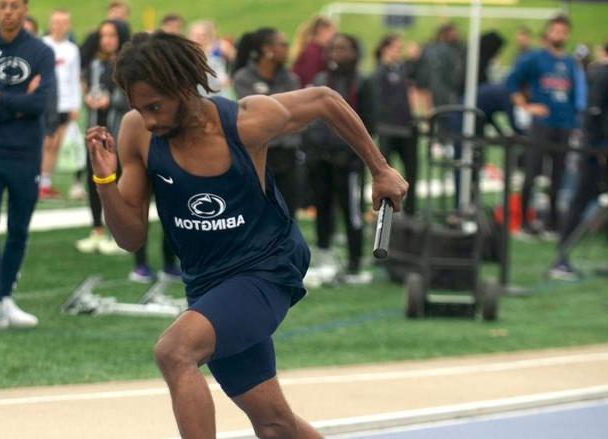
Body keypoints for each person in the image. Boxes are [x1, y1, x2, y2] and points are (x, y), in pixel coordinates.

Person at [86, 31, 407, 438]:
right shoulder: (139, 132)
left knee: (175, 352)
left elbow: (324, 99)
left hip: (266, 269)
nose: (149, 120)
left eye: (155, 107)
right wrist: (103, 180)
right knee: (274, 426)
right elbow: (130, 238)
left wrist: (380, 169)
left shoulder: (246, 122)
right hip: (207, 283)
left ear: (184, 88)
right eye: (138, 108)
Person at [0, 0, 55, 330]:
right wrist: (18, 103)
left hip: (25, 154)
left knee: (19, 228)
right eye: (1, 5)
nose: (7, 12)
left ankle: (6, 298)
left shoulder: (40, 51)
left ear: (24, 8)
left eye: (14, 5)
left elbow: (40, 103)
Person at [548, 33, 608, 280]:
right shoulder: (602, 74)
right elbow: (591, 115)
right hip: (596, 154)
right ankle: (561, 260)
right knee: (580, 202)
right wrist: (595, 149)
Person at [304, 33, 376, 285]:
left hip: (350, 160)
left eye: (344, 49)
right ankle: (324, 255)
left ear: (355, 53)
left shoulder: (363, 82)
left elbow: (369, 122)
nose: (337, 54)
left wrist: (356, 154)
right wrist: (313, 146)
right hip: (321, 158)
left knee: (352, 211)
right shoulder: (321, 80)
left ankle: (355, 261)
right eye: (333, 49)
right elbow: (310, 117)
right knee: (322, 207)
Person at [506, 15, 586, 238]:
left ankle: (551, 224)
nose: (559, 34)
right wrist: (527, 106)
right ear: (548, 33)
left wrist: (574, 122)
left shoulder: (570, 63)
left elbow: (573, 95)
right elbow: (511, 82)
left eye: (563, 31)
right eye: (555, 30)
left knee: (558, 177)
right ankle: (523, 224)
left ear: (567, 34)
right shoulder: (535, 59)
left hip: (564, 125)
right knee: (532, 173)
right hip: (541, 125)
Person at [233, 27, 301, 218]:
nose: (288, 49)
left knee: (288, 212)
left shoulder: (291, 79)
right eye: (283, 45)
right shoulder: (243, 78)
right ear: (267, 50)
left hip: (287, 155)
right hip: (257, 155)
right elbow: (256, 119)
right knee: (257, 212)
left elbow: (295, 116)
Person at [75, 19, 130, 254]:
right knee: (93, 180)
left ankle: (116, 234)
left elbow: (132, 98)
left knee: (117, 183)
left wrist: (112, 100)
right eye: (103, 35)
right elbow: (88, 86)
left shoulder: (128, 64)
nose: (106, 40)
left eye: (112, 35)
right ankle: (96, 229)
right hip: (95, 130)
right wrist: (88, 95)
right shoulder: (96, 63)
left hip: (118, 132)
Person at [373, 34, 418, 216]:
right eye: (395, 48)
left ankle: (411, 210)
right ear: (385, 48)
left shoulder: (401, 69)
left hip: (405, 128)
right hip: (387, 129)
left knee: (411, 169)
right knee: (386, 171)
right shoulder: (379, 72)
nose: (398, 52)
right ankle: (386, 209)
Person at [39, 9, 81, 199]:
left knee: (56, 144)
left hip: (65, 103)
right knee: (45, 142)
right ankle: (37, 179)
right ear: (50, 23)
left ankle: (45, 182)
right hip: (45, 102)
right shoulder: (42, 45)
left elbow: (74, 78)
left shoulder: (72, 49)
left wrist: (75, 105)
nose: (59, 26)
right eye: (56, 22)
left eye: (64, 22)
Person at [188, 20, 234, 97]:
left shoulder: (215, 61)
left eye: (203, 35)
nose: (199, 38)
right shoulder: (183, 60)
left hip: (214, 100)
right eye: (195, 35)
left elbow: (223, 81)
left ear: (208, 38)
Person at [290, 15, 335, 88]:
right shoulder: (312, 52)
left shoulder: (315, 49)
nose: (334, 35)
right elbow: (309, 79)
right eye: (331, 31)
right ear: (321, 30)